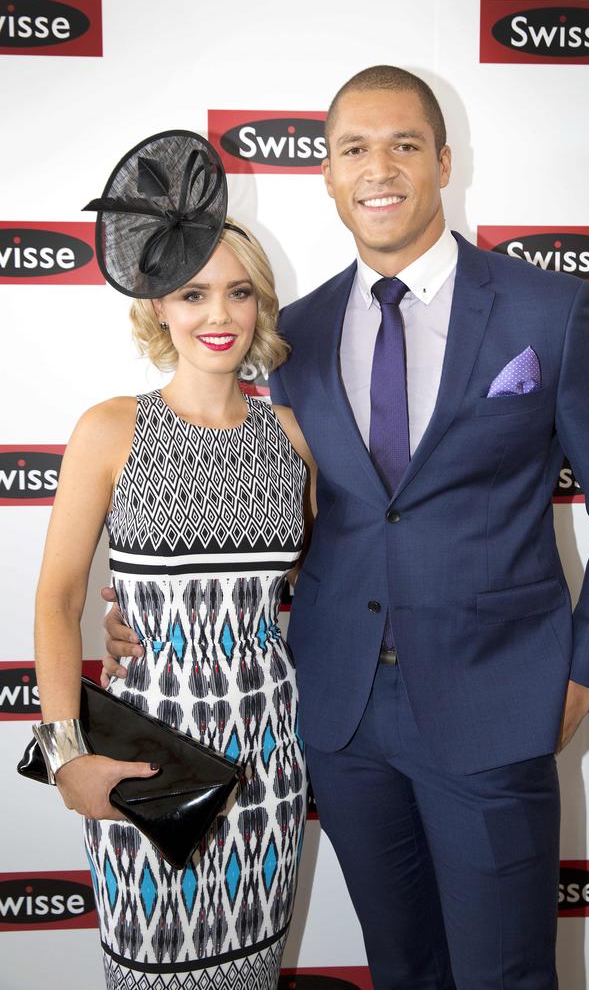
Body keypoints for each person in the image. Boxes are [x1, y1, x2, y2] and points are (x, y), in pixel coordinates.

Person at [103, 71, 589, 989]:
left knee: (505, 975)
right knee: (403, 969)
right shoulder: (294, 334)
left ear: (443, 161)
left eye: (403, 144)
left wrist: (585, 677)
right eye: (354, 147)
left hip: (496, 707)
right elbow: (276, 511)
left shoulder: (546, 312)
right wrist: (145, 617)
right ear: (327, 175)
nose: (379, 167)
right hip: (339, 715)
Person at [33, 131, 315, 990]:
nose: (218, 316)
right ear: (158, 305)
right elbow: (58, 599)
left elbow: (303, 592)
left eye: (237, 293)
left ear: (261, 305)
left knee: (251, 974)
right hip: (148, 769)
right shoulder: (111, 428)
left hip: (270, 762)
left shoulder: (292, 439)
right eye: (193, 294)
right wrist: (64, 753)